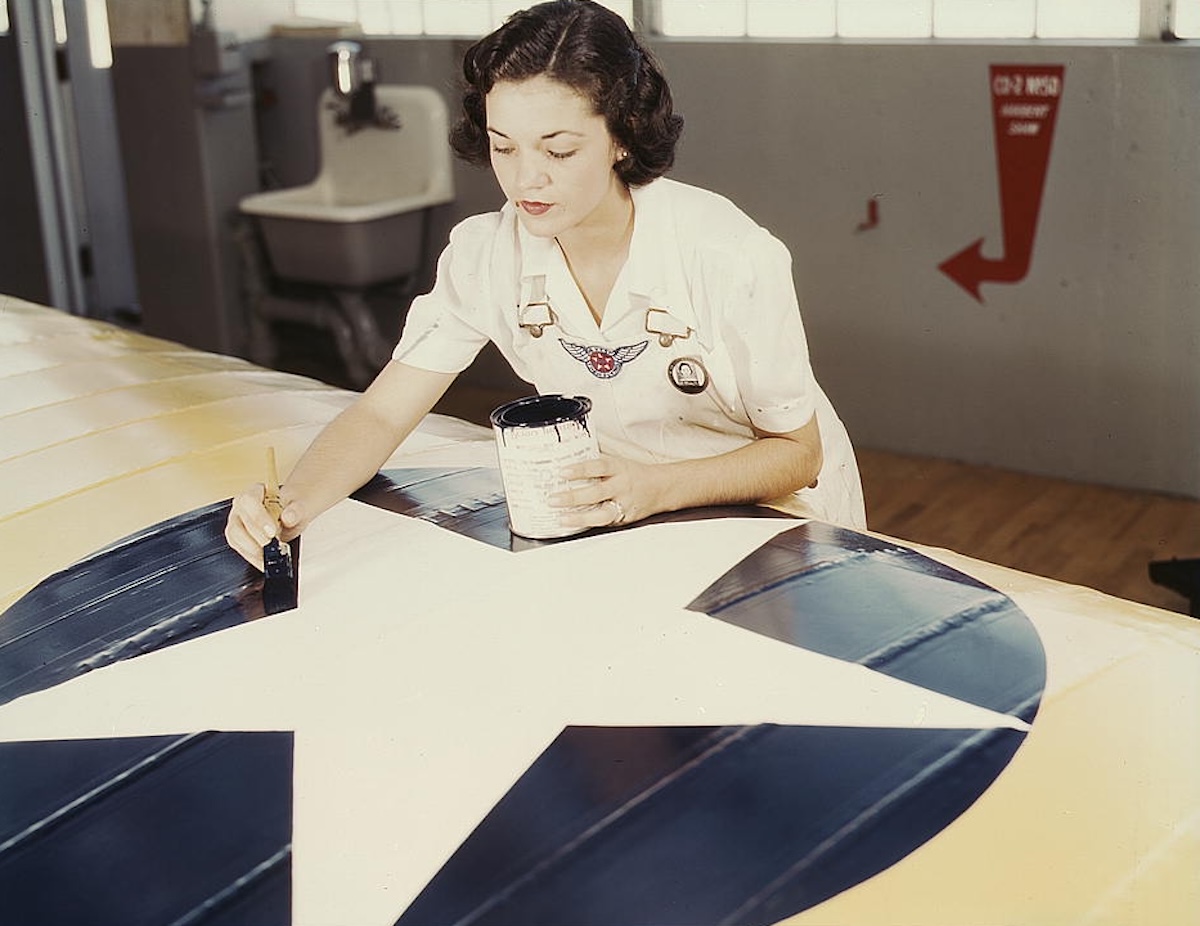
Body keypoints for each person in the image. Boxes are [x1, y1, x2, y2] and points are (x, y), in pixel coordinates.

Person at [226, 0, 865, 569]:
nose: (526, 180)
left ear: (621, 138)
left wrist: (655, 487)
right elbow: (383, 409)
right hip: (625, 504)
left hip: (778, 514)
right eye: (504, 149)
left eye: (558, 151)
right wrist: (289, 509)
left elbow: (796, 453)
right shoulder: (487, 253)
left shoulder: (725, 251)